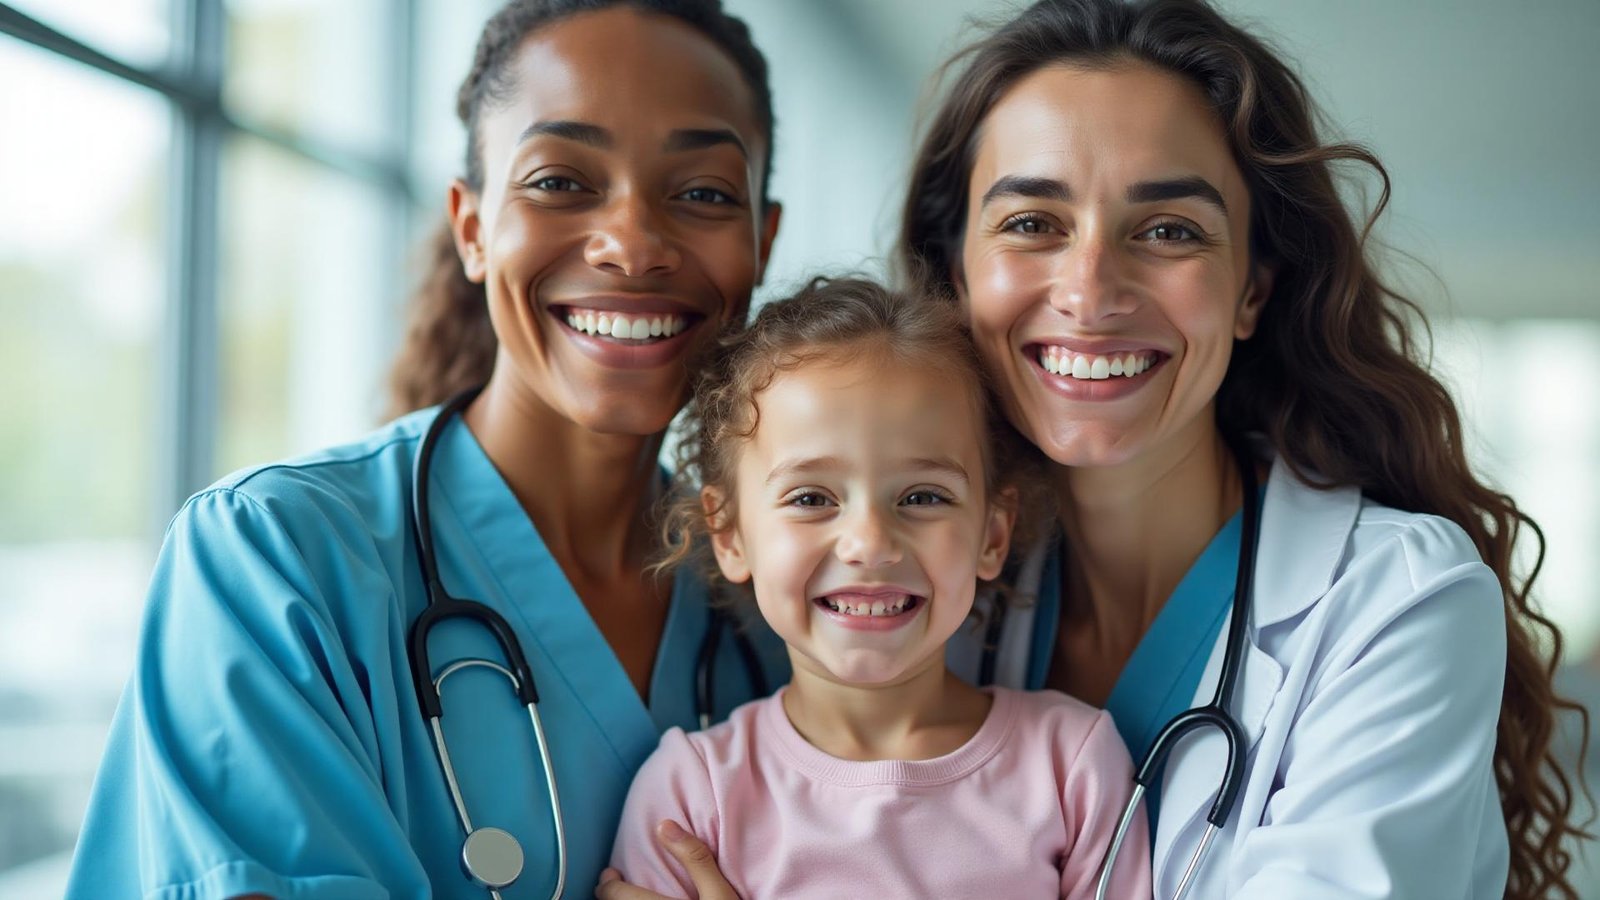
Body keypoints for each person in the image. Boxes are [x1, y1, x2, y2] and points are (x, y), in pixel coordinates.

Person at [65, 1, 790, 897]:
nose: (634, 244)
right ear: (474, 227)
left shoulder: (785, 601)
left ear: (763, 240)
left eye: (705, 193)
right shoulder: (269, 562)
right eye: (562, 181)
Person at [896, 0, 1588, 898]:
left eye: (1170, 230)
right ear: (956, 274)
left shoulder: (1397, 603)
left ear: (1253, 288)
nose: (1092, 289)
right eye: (1032, 223)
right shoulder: (893, 574)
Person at [606, 277, 1152, 899]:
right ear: (729, 533)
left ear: (992, 535)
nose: (869, 543)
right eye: (811, 498)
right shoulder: (690, 799)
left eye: (922, 496)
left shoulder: (1072, 769)